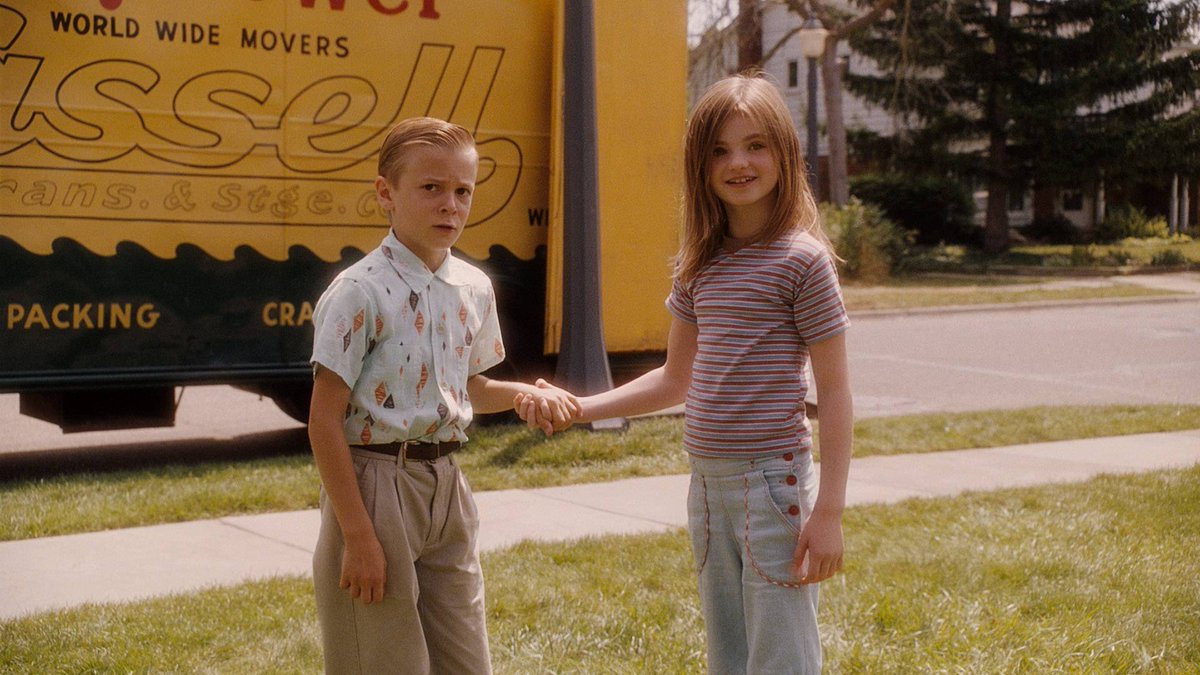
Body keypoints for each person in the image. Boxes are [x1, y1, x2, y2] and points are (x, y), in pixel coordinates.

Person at [518, 73, 852, 673]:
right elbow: (675, 379)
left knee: (781, 656)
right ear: (700, 165)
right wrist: (580, 407)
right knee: (727, 654)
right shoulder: (701, 263)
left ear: (785, 153)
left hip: (772, 488)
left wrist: (827, 512)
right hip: (706, 487)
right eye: (719, 150)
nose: (738, 162)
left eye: (755, 145)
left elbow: (835, 393)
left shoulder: (802, 262)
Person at [308, 116, 577, 675]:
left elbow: (471, 386)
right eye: (431, 188)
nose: (449, 205)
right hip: (375, 487)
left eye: (462, 191)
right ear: (387, 193)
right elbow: (324, 421)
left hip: (447, 486)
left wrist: (526, 394)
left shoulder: (473, 288)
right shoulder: (358, 292)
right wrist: (358, 535)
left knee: (466, 660)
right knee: (383, 660)